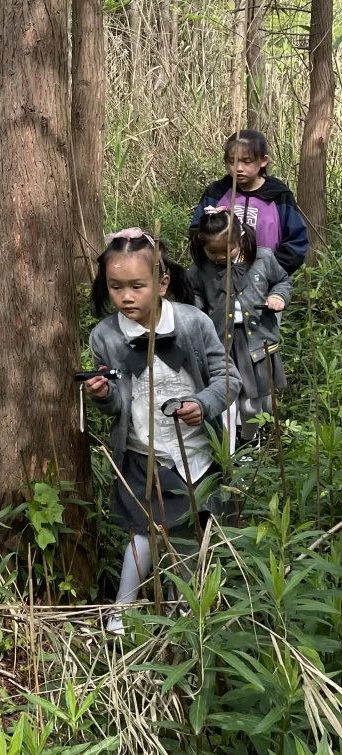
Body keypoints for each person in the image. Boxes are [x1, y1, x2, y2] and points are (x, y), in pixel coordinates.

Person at [83, 229, 236, 635]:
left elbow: (227, 377)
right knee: (144, 532)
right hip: (143, 450)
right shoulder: (106, 336)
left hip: (197, 451)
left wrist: (202, 405)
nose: (126, 297)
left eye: (137, 286)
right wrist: (103, 394)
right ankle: (122, 611)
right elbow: (116, 400)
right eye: (116, 287)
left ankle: (187, 612)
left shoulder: (192, 323)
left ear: (162, 282)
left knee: (188, 533)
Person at [188, 208, 290, 446]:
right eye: (212, 252)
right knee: (227, 399)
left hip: (256, 342)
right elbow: (193, 297)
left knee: (256, 401)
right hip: (221, 343)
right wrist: (195, 309)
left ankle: (253, 440)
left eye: (228, 250)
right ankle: (231, 449)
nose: (220, 257)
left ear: (241, 238)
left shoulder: (263, 258)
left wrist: (278, 296)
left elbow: (282, 281)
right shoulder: (200, 270)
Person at [189, 129, 308, 275]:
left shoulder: (278, 195)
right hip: (219, 279)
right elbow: (197, 233)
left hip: (265, 280)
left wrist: (270, 273)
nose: (238, 168)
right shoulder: (216, 192)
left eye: (247, 161)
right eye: (232, 161)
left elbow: (296, 242)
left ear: (263, 161)